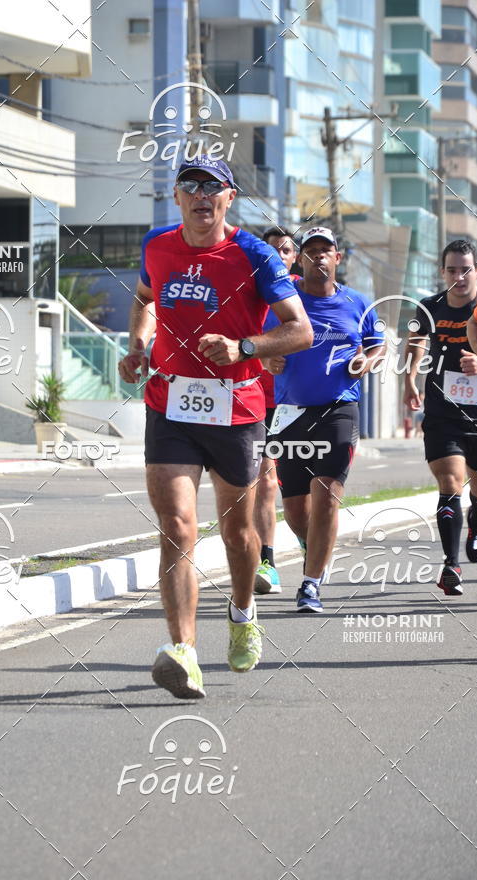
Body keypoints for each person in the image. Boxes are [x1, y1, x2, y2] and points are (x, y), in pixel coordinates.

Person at [118, 155, 313, 699]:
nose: (201, 195)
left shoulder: (253, 255)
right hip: (171, 404)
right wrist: (137, 344)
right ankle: (183, 651)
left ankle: (243, 611)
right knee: (178, 526)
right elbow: (143, 296)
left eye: (214, 188)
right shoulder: (157, 246)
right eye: (190, 186)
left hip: (237, 408)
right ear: (177, 198)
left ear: (229, 199)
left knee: (239, 533)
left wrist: (243, 347)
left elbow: (300, 332)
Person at [266, 226, 385, 612]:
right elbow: (259, 341)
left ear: (338, 258)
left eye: (325, 250)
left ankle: (311, 584)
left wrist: (366, 361)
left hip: (339, 408)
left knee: (327, 495)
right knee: (297, 511)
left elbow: (379, 345)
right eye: (311, 250)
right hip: (290, 414)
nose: (318, 256)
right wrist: (267, 358)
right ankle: (312, 547)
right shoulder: (285, 302)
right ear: (300, 259)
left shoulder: (358, 303)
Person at [404, 238, 477, 594]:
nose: (459, 277)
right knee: (450, 482)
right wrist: (409, 379)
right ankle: (451, 566)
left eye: (466, 269)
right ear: (442, 272)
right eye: (452, 270)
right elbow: (415, 341)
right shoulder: (429, 306)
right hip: (442, 412)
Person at [254, 227, 300, 595]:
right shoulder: (246, 289)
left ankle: (307, 540)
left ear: (294, 257)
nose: (278, 255)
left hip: (300, 403)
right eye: (271, 250)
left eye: (285, 250)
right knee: (265, 482)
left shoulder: (306, 292)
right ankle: (266, 562)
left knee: (303, 490)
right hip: (256, 400)